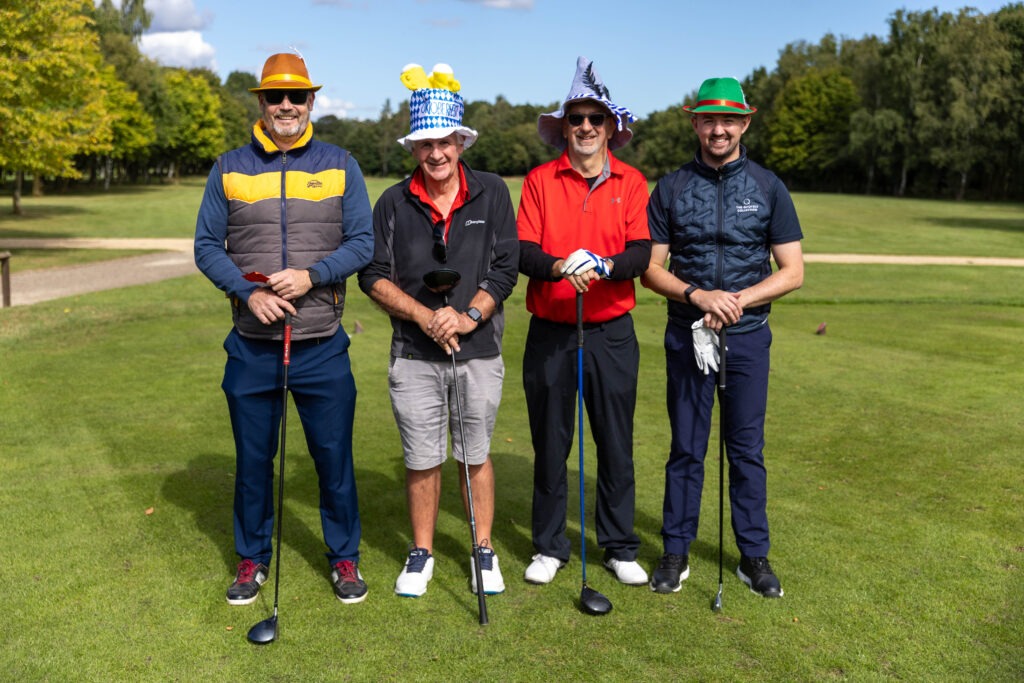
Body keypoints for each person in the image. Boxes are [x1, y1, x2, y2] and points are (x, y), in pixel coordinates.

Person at [194, 52, 374, 606]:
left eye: (297, 96)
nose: (287, 106)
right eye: (276, 96)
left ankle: (344, 558)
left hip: (322, 344)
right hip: (252, 346)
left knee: (333, 462)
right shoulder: (228, 168)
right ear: (261, 103)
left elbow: (364, 243)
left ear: (312, 101)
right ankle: (252, 559)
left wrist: (311, 275)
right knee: (252, 465)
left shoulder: (342, 163)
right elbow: (206, 246)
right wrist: (247, 292)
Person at [357, 63, 519, 598]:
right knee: (421, 457)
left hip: (478, 349)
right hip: (413, 353)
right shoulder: (392, 202)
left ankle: (483, 550)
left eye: (445, 141)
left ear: (461, 141)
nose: (436, 154)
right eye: (425, 144)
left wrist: (468, 314)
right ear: (413, 149)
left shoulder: (492, 192)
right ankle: (422, 551)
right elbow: (373, 276)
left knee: (474, 452)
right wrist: (425, 316)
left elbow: (505, 267)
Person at [641, 77, 804, 598]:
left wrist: (738, 300)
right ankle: (675, 552)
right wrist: (698, 295)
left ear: (745, 123)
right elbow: (650, 269)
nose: (719, 128)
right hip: (687, 333)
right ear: (694, 123)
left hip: (749, 338)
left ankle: (753, 556)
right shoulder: (670, 188)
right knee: (686, 448)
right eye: (709, 119)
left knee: (746, 450)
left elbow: (793, 270)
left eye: (729, 119)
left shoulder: (768, 186)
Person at [517, 57, 652, 587]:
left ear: (610, 127)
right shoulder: (539, 180)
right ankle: (550, 546)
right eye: (577, 119)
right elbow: (522, 250)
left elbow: (642, 254)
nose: (587, 128)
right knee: (551, 442)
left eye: (597, 119)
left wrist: (606, 266)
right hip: (551, 330)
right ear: (565, 127)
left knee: (615, 443)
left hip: (611, 333)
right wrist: (556, 266)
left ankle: (619, 547)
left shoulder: (632, 182)